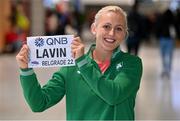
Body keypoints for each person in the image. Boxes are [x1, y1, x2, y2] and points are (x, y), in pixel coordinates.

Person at [16, 6, 143, 120]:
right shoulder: (71, 66)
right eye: (106, 26)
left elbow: (114, 95)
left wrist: (83, 63)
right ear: (94, 28)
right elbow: (39, 103)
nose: (111, 33)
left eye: (119, 29)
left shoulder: (132, 64)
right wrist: (26, 71)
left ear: (125, 34)